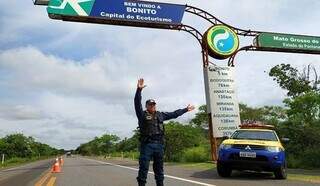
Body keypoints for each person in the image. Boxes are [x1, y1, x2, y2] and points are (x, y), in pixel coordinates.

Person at [134, 78, 195, 186]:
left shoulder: (160, 115)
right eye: (150, 104)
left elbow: (174, 114)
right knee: (143, 168)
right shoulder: (142, 115)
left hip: (159, 145)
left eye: (153, 104)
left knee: (159, 169)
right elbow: (136, 103)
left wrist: (185, 109)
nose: (152, 106)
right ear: (146, 106)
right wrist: (139, 90)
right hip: (147, 144)